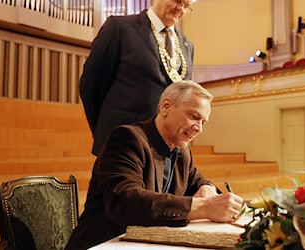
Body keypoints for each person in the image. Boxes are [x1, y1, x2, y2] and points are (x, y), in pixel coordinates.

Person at [65, 81, 244, 250]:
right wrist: (205, 207)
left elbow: (197, 180)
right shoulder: (128, 138)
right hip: (102, 243)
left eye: (203, 122)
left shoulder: (182, 151)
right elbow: (125, 201)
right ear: (166, 107)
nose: (199, 128)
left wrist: (207, 187)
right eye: (194, 116)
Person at [80, 0, 194, 156]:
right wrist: (104, 132)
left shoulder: (187, 44)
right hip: (122, 143)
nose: (180, 8)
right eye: (178, 0)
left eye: (187, 6)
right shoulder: (119, 28)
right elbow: (90, 87)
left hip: (165, 148)